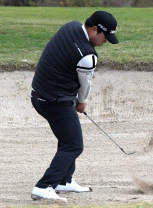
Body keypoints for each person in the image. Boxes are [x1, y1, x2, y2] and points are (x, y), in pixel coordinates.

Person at [30, 11, 119, 201]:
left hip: (39, 94)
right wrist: (81, 103)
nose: (106, 42)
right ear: (94, 30)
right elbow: (85, 85)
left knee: (67, 137)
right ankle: (44, 186)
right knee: (74, 145)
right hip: (54, 101)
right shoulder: (88, 56)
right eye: (105, 37)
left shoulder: (70, 26)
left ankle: (64, 181)